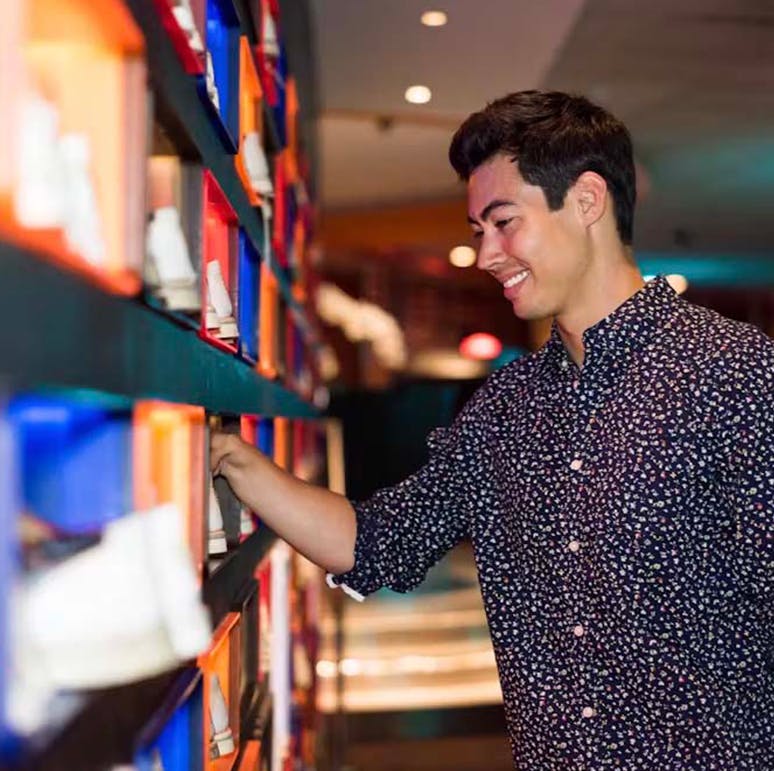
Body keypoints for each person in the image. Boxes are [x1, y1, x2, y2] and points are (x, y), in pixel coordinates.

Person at [210, 91, 774, 769]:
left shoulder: (735, 374)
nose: (486, 254)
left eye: (504, 222)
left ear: (588, 200)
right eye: (479, 230)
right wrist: (233, 460)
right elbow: (381, 542)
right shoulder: (505, 405)